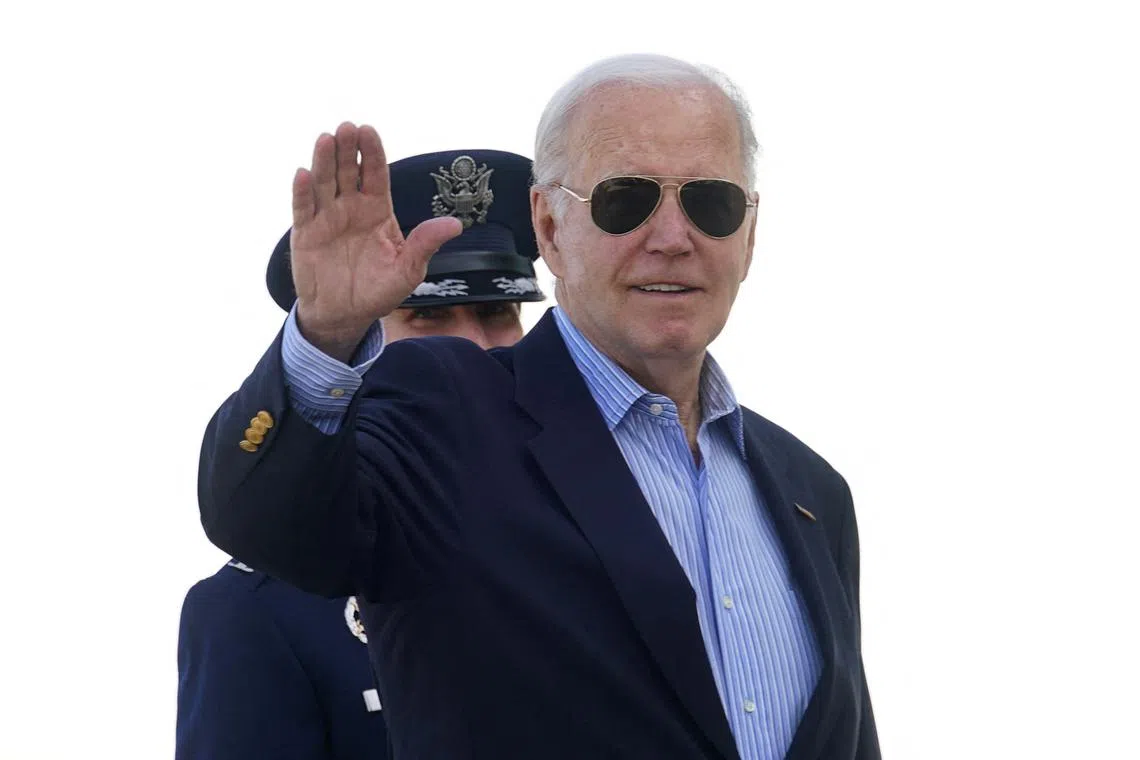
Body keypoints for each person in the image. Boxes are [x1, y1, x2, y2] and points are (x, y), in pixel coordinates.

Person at [197, 54, 879, 760]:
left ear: (750, 235)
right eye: (626, 201)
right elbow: (264, 522)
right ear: (549, 228)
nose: (674, 238)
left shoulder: (813, 491)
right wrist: (327, 334)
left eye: (712, 202)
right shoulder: (444, 417)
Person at [177, 149, 544, 760]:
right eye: (428, 316)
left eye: (496, 312)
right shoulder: (260, 610)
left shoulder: (602, 526)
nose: (475, 347)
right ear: (361, 346)